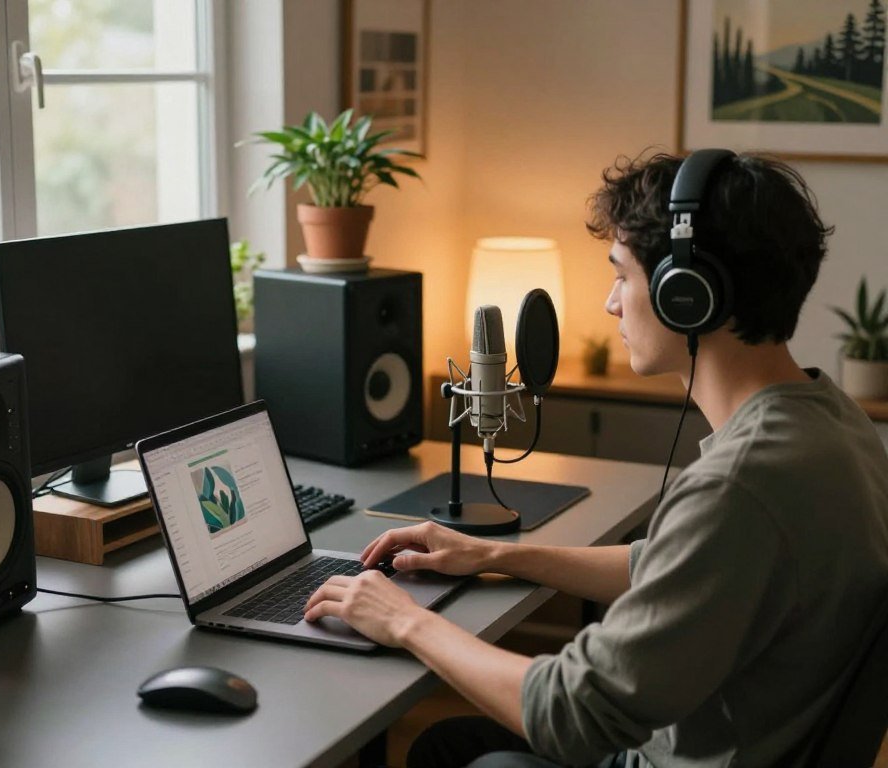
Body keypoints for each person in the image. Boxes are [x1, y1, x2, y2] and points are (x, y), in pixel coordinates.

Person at [303, 150, 888, 768]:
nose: (612, 304)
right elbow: (674, 566)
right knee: (447, 746)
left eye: (622, 276)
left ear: (685, 295)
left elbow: (574, 716)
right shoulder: (832, 420)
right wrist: (494, 554)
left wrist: (404, 622)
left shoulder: (740, 486)